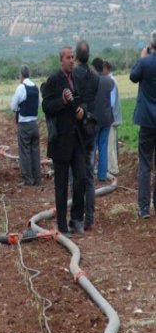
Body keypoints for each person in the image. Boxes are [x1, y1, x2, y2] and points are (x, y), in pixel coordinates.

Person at [41, 46, 86, 235]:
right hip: (60, 141)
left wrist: (81, 111)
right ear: (61, 60)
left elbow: (81, 101)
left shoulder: (75, 79)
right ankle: (62, 225)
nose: (71, 60)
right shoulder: (54, 80)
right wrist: (62, 102)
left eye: (73, 57)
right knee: (61, 186)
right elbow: (46, 106)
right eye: (68, 57)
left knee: (81, 178)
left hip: (76, 138)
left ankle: (76, 219)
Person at [72, 40, 99, 231]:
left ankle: (77, 218)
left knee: (76, 176)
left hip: (77, 130)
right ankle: (90, 218)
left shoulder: (73, 75)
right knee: (89, 176)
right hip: (91, 128)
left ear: (75, 56)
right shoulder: (95, 77)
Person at [129, 30, 156, 219]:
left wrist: (142, 57)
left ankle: (144, 208)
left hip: (147, 120)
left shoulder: (145, 63)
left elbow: (133, 76)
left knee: (145, 165)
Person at [10, 64, 41, 186]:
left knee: (25, 152)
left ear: (21, 75)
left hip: (24, 124)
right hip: (34, 123)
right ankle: (37, 178)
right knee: (35, 151)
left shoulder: (21, 88)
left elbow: (13, 106)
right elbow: (39, 104)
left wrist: (18, 109)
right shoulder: (35, 88)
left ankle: (28, 179)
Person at [91, 57, 114, 182]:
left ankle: (90, 174)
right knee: (103, 146)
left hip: (94, 120)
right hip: (107, 118)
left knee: (93, 147)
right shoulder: (110, 81)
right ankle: (102, 175)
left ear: (94, 68)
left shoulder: (92, 80)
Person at [103, 60, 122, 179]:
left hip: (111, 118)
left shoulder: (110, 81)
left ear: (106, 69)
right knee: (112, 144)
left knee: (110, 145)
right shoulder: (112, 80)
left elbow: (111, 102)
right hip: (114, 118)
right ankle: (112, 167)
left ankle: (113, 169)